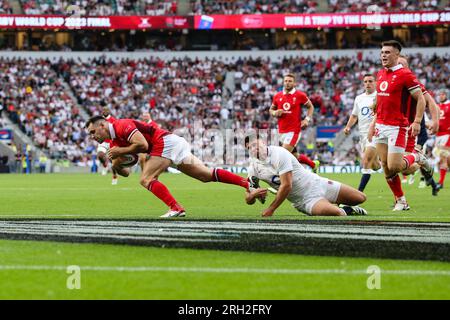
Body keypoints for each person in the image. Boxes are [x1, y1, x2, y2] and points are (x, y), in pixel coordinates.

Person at [86, 115, 250, 218]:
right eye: (90, 134)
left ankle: (176, 208)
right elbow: (127, 172)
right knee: (205, 176)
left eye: (93, 132)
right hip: (172, 143)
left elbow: (142, 144)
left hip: (165, 142)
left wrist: (121, 151)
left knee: (146, 179)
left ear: (102, 126)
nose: (92, 136)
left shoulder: (121, 125)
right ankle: (248, 183)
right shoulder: (114, 142)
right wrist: (117, 164)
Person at [367, 40, 429, 211]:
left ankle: (417, 156)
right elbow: (380, 99)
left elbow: (421, 99)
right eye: (382, 52)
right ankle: (401, 201)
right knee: (386, 167)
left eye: (387, 52)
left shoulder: (405, 75)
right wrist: (373, 123)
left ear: (396, 55)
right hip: (381, 125)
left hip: (397, 126)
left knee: (395, 166)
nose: (383, 55)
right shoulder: (380, 74)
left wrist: (416, 121)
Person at [244, 135, 367, 217]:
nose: (254, 148)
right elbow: (248, 199)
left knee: (360, 198)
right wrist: (253, 194)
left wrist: (271, 209)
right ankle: (348, 209)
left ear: (263, 142)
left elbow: (287, 185)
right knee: (337, 213)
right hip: (304, 200)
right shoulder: (253, 168)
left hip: (317, 182)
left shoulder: (279, 153)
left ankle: (341, 204)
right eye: (250, 147)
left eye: (256, 144)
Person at [396, 55, 440, 195]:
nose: (400, 67)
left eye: (403, 65)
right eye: (398, 64)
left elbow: (431, 102)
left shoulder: (414, 84)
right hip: (391, 128)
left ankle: (421, 161)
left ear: (408, 68)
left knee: (403, 168)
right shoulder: (388, 81)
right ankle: (400, 200)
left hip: (409, 130)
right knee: (388, 166)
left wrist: (435, 121)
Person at [270, 73, 320, 173]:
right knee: (294, 156)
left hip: (293, 131)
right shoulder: (277, 96)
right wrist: (275, 112)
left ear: (294, 83)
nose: (287, 83)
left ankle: (282, 184)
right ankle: (313, 164)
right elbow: (271, 110)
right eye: (286, 81)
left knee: (282, 156)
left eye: (290, 81)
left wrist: (307, 119)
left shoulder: (300, 95)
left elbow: (310, 107)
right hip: (281, 131)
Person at [344, 73, 381, 192]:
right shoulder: (359, 98)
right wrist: (348, 127)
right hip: (363, 134)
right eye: (365, 81)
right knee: (375, 165)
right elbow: (354, 115)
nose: (368, 84)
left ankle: (358, 195)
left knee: (365, 161)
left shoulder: (380, 96)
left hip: (376, 132)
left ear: (375, 83)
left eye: (370, 81)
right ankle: (384, 164)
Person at [97, 107, 119, 185]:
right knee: (100, 155)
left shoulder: (113, 120)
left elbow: (117, 131)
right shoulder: (99, 120)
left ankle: (114, 176)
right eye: (103, 110)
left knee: (113, 161)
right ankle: (105, 165)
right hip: (103, 142)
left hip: (111, 142)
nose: (105, 111)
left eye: (106, 110)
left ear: (109, 111)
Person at [435, 90, 450, 190]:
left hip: (446, 134)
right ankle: (441, 182)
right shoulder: (437, 106)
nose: (441, 96)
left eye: (442, 94)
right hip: (438, 135)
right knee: (442, 158)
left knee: (443, 158)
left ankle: (440, 182)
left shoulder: (449, 105)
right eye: (439, 94)